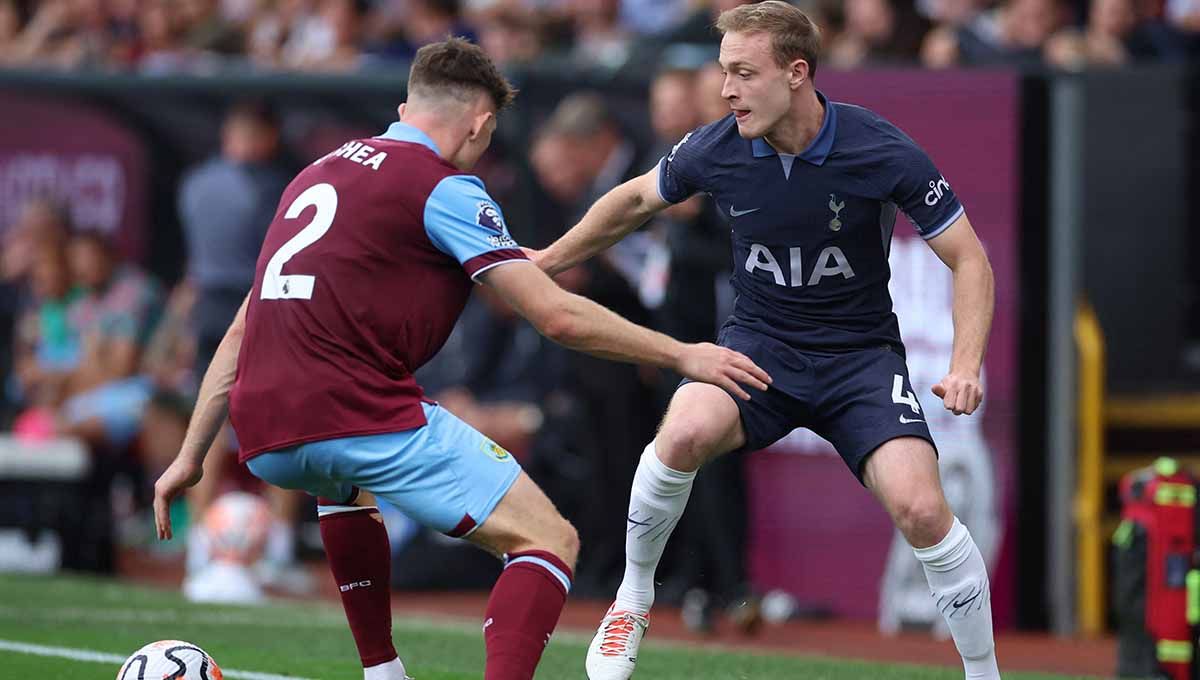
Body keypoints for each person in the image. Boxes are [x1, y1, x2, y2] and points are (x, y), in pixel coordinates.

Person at [151, 37, 769, 680]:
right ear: (480, 123)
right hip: (354, 408)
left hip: (263, 427)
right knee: (548, 540)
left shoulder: (315, 173)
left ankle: (382, 671)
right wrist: (682, 353)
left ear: (404, 106)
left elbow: (238, 332)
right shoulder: (445, 188)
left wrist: (190, 457)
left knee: (343, 487)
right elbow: (555, 315)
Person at [526, 3, 999, 679]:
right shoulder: (717, 147)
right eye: (724, 72)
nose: (726, 90)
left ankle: (985, 674)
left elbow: (971, 259)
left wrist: (965, 364)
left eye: (744, 73)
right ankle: (632, 598)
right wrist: (547, 260)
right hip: (760, 350)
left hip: (858, 362)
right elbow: (631, 203)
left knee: (924, 508)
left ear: (796, 74)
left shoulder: (880, 149)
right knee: (683, 432)